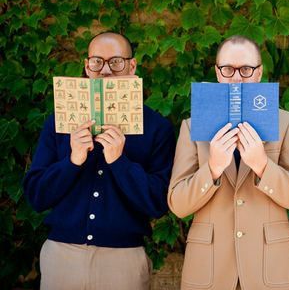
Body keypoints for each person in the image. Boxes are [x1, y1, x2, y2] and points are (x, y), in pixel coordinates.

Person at [23, 32, 176, 290]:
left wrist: (120, 162)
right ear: (87, 66)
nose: (105, 71)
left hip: (123, 260)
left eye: (115, 62)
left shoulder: (156, 127)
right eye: (97, 62)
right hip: (62, 256)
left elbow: (158, 203)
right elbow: (36, 196)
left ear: (132, 66)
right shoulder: (59, 121)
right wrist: (72, 161)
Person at [168, 35, 289, 290]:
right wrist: (211, 168)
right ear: (217, 72)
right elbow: (177, 204)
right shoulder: (191, 126)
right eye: (228, 69)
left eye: (245, 69)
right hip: (210, 269)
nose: (236, 78)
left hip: (270, 268)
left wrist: (262, 166)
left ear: (259, 73)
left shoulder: (288, 123)